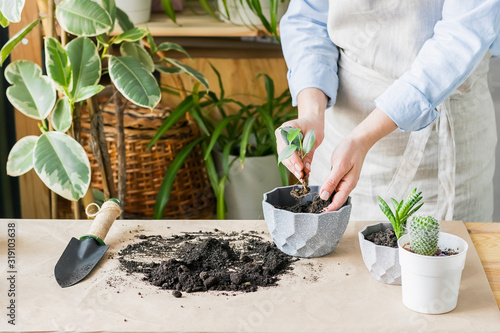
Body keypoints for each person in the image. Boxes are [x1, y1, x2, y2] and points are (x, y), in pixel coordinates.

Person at [277, 0, 500, 222]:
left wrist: (363, 138)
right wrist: (311, 113)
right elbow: (309, 20)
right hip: (343, 130)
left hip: (444, 137)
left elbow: (462, 36)